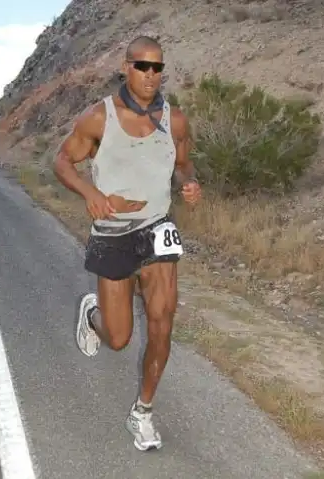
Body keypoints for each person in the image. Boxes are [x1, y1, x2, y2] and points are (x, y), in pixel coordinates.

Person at [54, 35, 201, 451]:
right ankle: (93, 313)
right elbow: (63, 160)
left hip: (157, 227)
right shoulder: (99, 118)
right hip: (113, 234)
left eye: (158, 68)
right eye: (143, 66)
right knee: (118, 339)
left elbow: (184, 163)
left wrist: (189, 183)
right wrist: (90, 194)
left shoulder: (175, 121)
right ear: (126, 66)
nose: (151, 75)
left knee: (162, 321)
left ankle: (143, 412)